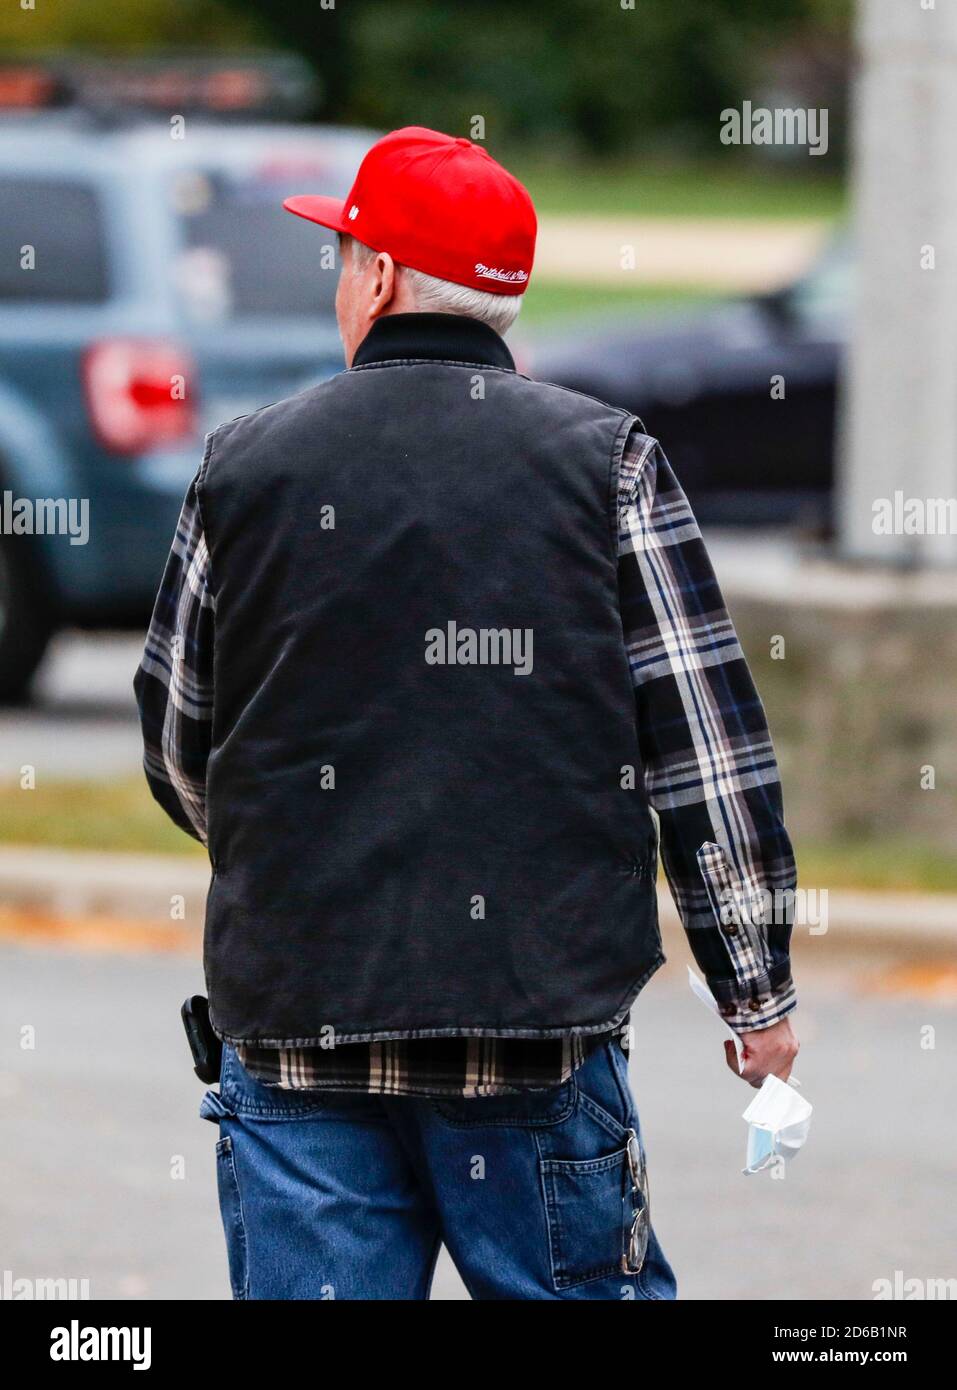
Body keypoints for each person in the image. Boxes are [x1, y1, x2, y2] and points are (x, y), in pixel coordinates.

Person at [135, 126, 798, 1301]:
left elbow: (185, 747)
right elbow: (704, 751)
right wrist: (754, 995)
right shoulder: (608, 464)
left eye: (344, 255)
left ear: (380, 277)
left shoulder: (242, 466)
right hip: (532, 1030)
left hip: (297, 1029)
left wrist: (308, 848)